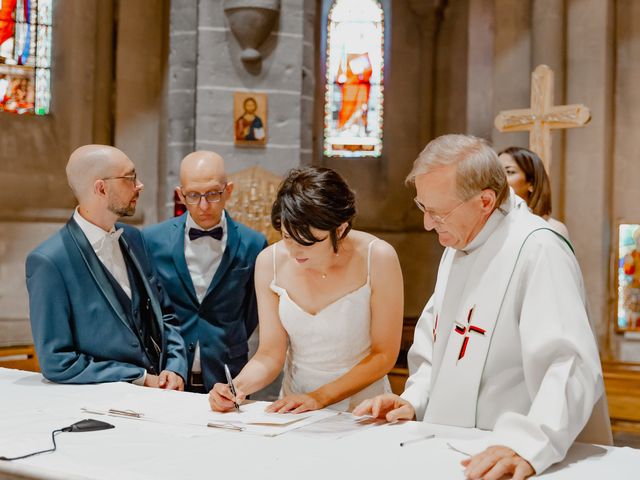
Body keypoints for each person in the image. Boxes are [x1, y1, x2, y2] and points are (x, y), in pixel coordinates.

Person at [353, 134, 611, 479]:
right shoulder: (459, 245)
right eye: (422, 207)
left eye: (437, 212)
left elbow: (568, 362)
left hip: (512, 456)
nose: (427, 223)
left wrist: (528, 445)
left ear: (485, 201)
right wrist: (414, 400)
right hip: (452, 447)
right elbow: (439, 342)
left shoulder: (538, 248)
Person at [209, 166, 403, 413]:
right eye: (288, 236)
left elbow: (383, 355)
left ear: (340, 229)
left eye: (308, 242)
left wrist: (320, 397)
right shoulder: (270, 262)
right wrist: (236, 388)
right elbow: (270, 353)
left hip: (364, 408)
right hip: (296, 408)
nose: (295, 251)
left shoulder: (378, 258)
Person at [25, 145, 187, 389]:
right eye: (130, 178)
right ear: (101, 188)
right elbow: (58, 362)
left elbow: (164, 315)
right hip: (99, 408)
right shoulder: (49, 261)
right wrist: (140, 378)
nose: (140, 185)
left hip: (159, 399)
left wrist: (175, 368)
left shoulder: (135, 238)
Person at [143, 151, 267, 392]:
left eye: (213, 194)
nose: (203, 205)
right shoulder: (151, 240)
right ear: (180, 194)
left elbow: (252, 312)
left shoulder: (254, 244)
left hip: (230, 378)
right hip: (167, 376)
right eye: (193, 195)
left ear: (228, 190)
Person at [498, 146, 569, 238]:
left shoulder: (552, 228)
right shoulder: (492, 226)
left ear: (532, 183)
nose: (499, 178)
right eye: (497, 171)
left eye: (509, 172)